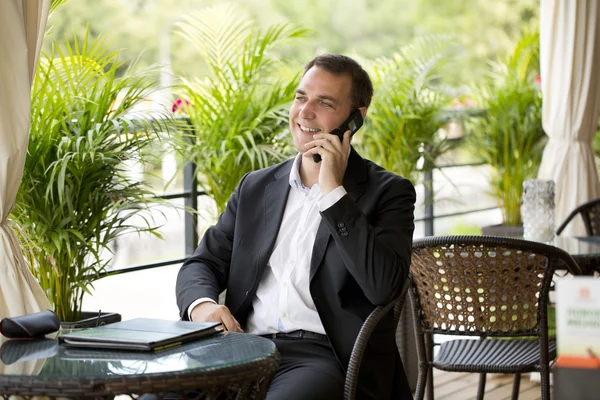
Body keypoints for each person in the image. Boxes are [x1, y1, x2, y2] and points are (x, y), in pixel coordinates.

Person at [176, 54, 416, 399]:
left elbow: (384, 287)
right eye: (301, 97)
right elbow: (203, 262)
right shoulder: (255, 187)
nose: (304, 113)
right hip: (241, 347)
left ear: (355, 119)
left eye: (325, 103)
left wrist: (333, 194)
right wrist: (202, 306)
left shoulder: (389, 192)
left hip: (325, 356)